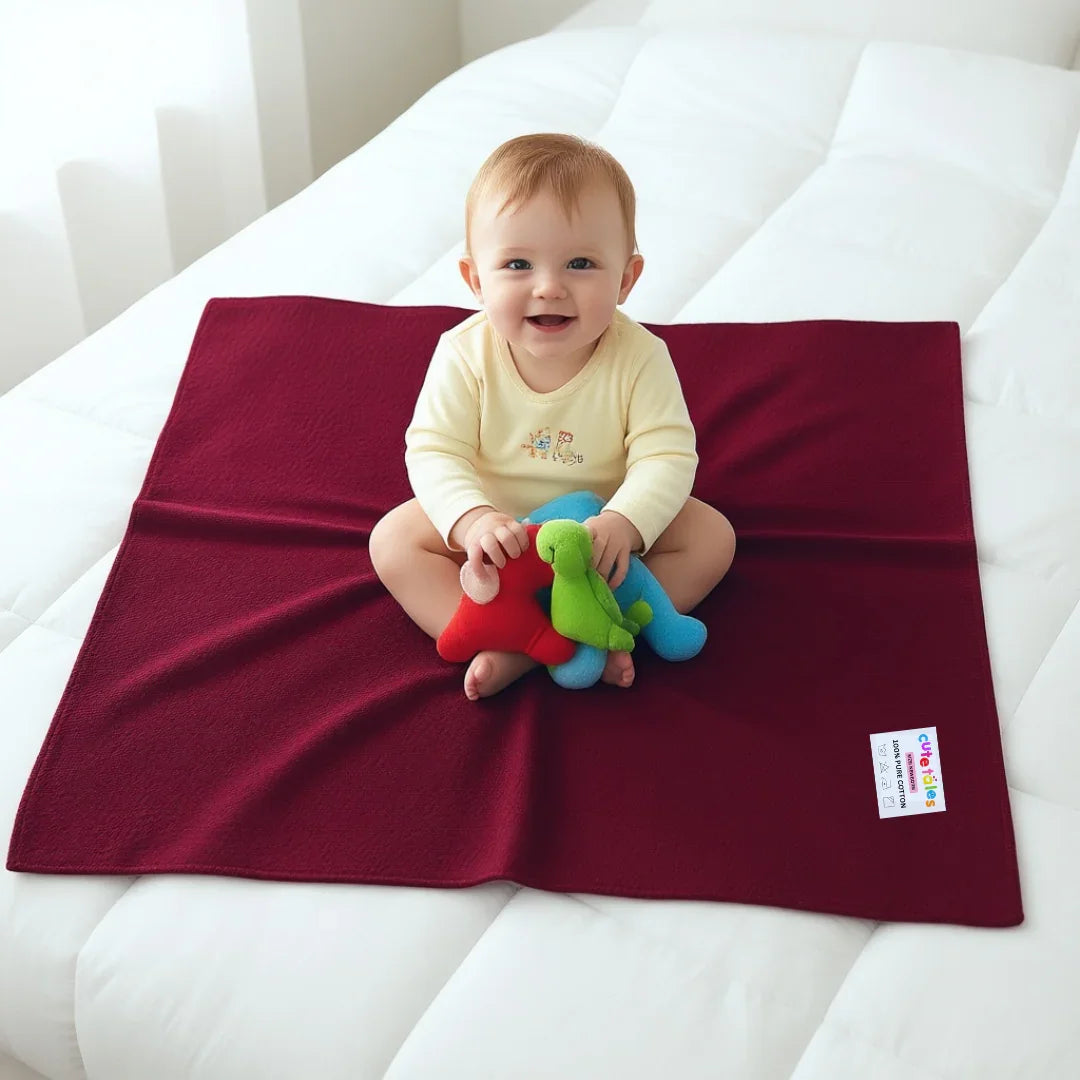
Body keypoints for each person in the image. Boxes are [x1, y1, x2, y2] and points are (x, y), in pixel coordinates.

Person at [370, 133, 735, 700]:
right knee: (392, 542)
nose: (549, 287)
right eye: (517, 263)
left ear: (626, 279)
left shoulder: (640, 357)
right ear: (474, 279)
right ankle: (508, 640)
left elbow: (665, 455)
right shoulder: (464, 353)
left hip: (598, 538)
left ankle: (603, 626)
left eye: (581, 263)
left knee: (713, 537)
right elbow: (435, 450)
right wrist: (472, 520)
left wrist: (627, 521)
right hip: (501, 532)